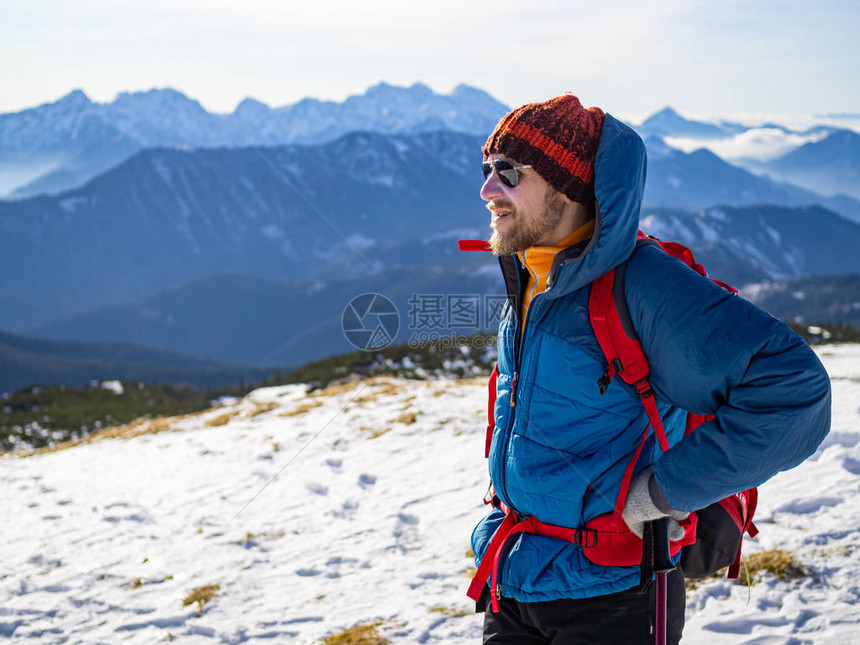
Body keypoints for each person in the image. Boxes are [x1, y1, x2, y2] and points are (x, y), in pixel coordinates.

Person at [468, 94, 832, 644]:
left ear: (570, 188)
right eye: (486, 170)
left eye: (509, 173)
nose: (487, 190)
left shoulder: (643, 285)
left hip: (614, 598)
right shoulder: (533, 277)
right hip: (517, 580)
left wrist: (666, 491)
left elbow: (795, 394)